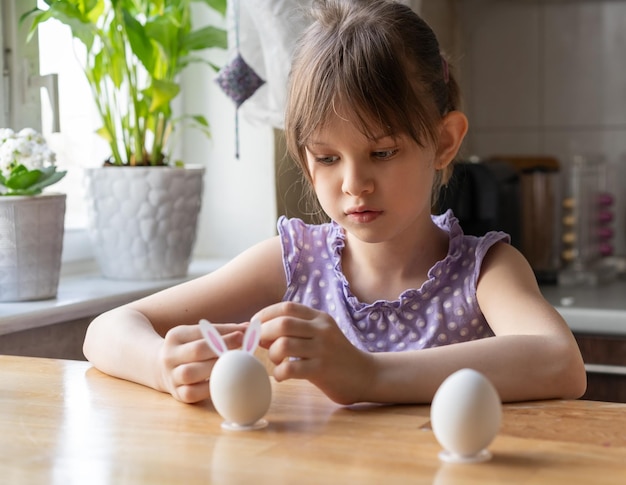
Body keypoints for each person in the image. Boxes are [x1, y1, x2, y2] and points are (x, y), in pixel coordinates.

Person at [83, 0, 587, 405]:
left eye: (382, 151)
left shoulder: (486, 270)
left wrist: (367, 375)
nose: (354, 183)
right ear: (304, 160)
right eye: (326, 158)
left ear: (444, 142)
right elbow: (107, 330)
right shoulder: (293, 262)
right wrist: (160, 365)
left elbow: (561, 363)